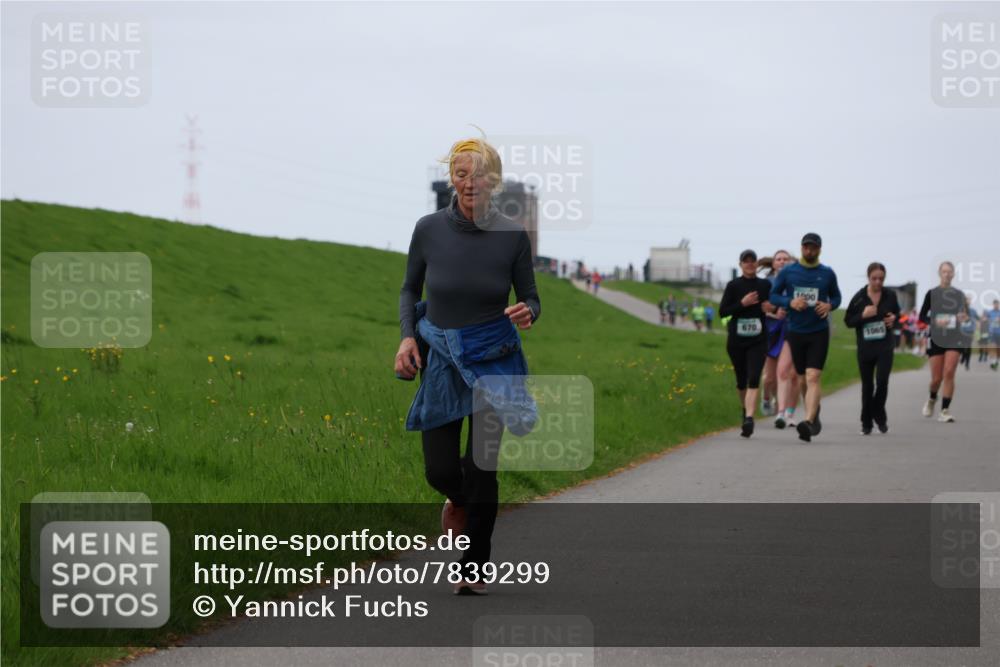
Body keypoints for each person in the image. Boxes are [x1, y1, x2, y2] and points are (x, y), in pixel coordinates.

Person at [395, 136, 541, 595]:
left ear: (494, 182)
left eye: (479, 174)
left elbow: (531, 297)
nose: (469, 182)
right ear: (451, 179)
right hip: (441, 357)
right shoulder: (428, 229)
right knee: (439, 470)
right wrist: (405, 336)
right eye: (460, 173)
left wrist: (528, 312)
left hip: (493, 359)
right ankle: (455, 498)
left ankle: (474, 567)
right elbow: (408, 290)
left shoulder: (512, 236)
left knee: (483, 466)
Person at [769, 233, 841, 443]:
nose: (809, 251)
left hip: (819, 331)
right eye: (806, 247)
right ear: (801, 248)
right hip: (796, 332)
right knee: (801, 379)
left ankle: (808, 422)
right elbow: (774, 295)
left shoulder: (827, 274)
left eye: (813, 248)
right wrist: (790, 302)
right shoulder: (789, 272)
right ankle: (813, 411)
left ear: (819, 249)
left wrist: (829, 305)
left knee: (813, 376)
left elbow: (836, 297)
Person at [719, 249, 772, 438]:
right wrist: (742, 303)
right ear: (740, 264)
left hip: (758, 340)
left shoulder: (765, 285)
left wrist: (771, 307)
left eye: (752, 261)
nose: (749, 264)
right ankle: (745, 410)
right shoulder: (733, 286)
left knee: (753, 377)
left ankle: (749, 418)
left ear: (757, 264)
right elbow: (723, 312)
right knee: (741, 381)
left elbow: (773, 305)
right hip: (736, 341)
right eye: (745, 261)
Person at [844, 262, 900, 434]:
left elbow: (898, 314)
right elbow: (848, 321)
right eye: (874, 278)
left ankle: (879, 415)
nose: (878, 282)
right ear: (868, 278)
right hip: (866, 348)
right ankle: (866, 424)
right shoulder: (859, 297)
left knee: (882, 382)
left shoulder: (890, 295)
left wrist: (894, 319)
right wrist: (863, 315)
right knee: (867, 387)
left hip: (885, 346)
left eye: (881, 279)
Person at [918, 261, 968, 423]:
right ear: (940, 274)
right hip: (936, 337)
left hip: (954, 338)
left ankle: (945, 410)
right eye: (944, 271)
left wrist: (964, 318)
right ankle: (932, 398)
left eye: (949, 272)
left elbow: (964, 316)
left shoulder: (959, 295)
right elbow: (921, 317)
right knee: (936, 379)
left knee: (949, 372)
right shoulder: (931, 293)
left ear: (953, 274)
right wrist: (934, 321)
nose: (947, 274)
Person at [758, 250, 799, 426]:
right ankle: (767, 398)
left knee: (789, 373)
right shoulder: (766, 283)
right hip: (771, 329)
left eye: (785, 259)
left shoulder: (796, 281)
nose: (782, 262)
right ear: (773, 264)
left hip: (790, 330)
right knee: (769, 377)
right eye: (779, 259)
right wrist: (775, 313)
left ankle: (786, 412)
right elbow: (761, 307)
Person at [959, 296, 977, 371]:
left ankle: (967, 364)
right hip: (961, 331)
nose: (968, 302)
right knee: (962, 347)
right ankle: (963, 356)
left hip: (970, 332)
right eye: (967, 300)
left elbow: (977, 318)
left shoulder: (973, 311)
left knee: (968, 347)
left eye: (969, 300)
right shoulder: (960, 310)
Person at [987, 299, 1000, 371]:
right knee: (993, 348)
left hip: (999, 333)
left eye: (997, 304)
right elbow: (986, 320)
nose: (996, 305)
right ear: (993, 305)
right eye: (995, 304)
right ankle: (993, 362)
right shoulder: (990, 312)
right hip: (992, 333)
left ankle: (996, 362)